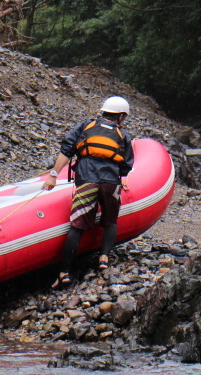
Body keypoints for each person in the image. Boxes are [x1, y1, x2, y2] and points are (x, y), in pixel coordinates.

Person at [43, 96, 134, 288]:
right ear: (120, 117)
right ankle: (103, 258)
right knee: (110, 220)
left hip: (86, 179)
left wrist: (53, 175)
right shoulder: (122, 134)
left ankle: (65, 272)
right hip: (110, 181)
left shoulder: (86, 125)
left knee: (77, 225)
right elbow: (126, 165)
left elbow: (67, 149)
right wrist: (120, 178)